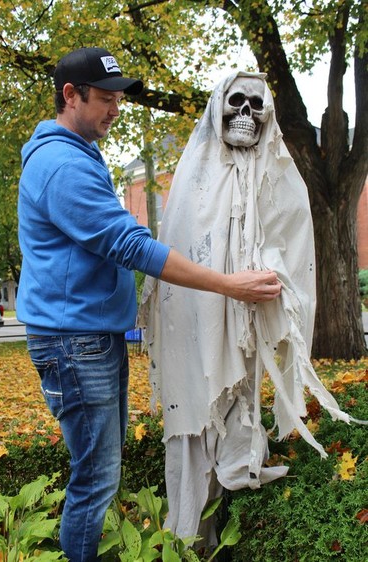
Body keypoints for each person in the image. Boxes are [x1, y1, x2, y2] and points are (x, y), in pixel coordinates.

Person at [16, 48, 282, 562]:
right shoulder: (60, 165)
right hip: (75, 344)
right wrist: (230, 284)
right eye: (105, 100)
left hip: (91, 337)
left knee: (100, 473)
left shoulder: (79, 152)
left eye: (119, 100)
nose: (114, 110)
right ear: (70, 95)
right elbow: (129, 245)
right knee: (95, 481)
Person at [138, 71, 360, 545]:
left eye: (256, 106)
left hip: (250, 322)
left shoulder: (278, 175)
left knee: (239, 407)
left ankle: (231, 492)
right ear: (219, 109)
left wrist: (270, 279)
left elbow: (293, 245)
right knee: (197, 420)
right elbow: (179, 248)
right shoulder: (194, 176)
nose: (246, 115)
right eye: (236, 102)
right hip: (198, 323)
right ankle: (189, 541)